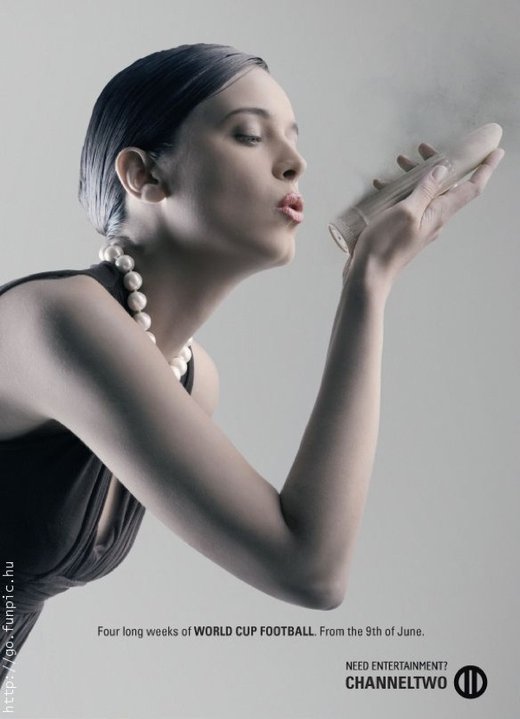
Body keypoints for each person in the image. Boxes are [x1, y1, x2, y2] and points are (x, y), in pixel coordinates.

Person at [0, 43, 504, 687]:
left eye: (293, 139)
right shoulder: (58, 319)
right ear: (144, 175)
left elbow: (312, 561)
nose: (295, 164)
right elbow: (310, 569)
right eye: (249, 135)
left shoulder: (191, 378)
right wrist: (369, 282)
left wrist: (368, 280)